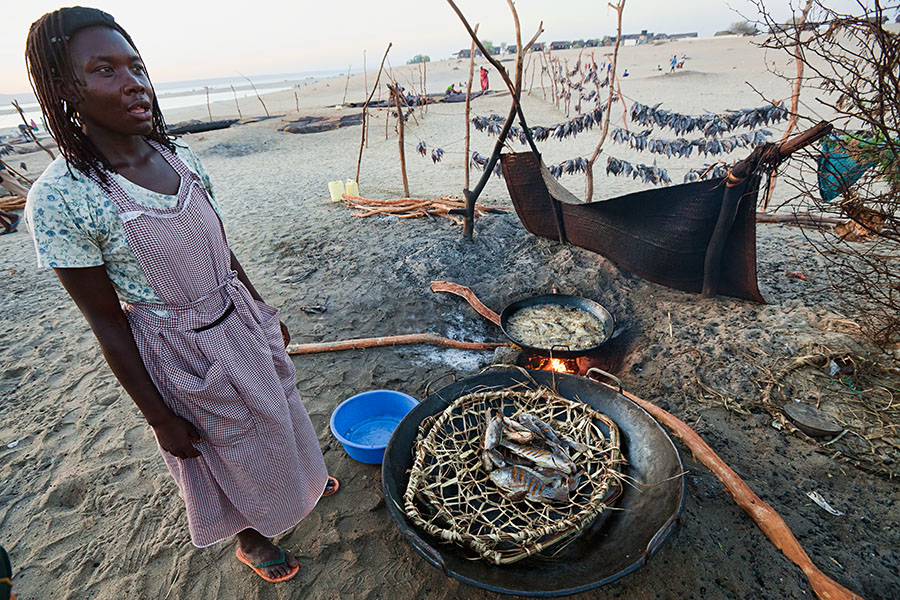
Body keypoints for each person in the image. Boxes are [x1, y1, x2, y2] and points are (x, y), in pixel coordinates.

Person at [24, 6, 337, 584]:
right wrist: (158, 418)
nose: (133, 82)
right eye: (104, 70)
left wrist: (259, 305)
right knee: (220, 449)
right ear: (66, 89)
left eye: (135, 66)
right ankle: (250, 534)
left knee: (279, 413)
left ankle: (300, 483)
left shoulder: (180, 156)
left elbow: (219, 241)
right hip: (178, 352)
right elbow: (106, 323)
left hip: (239, 318)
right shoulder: (63, 195)